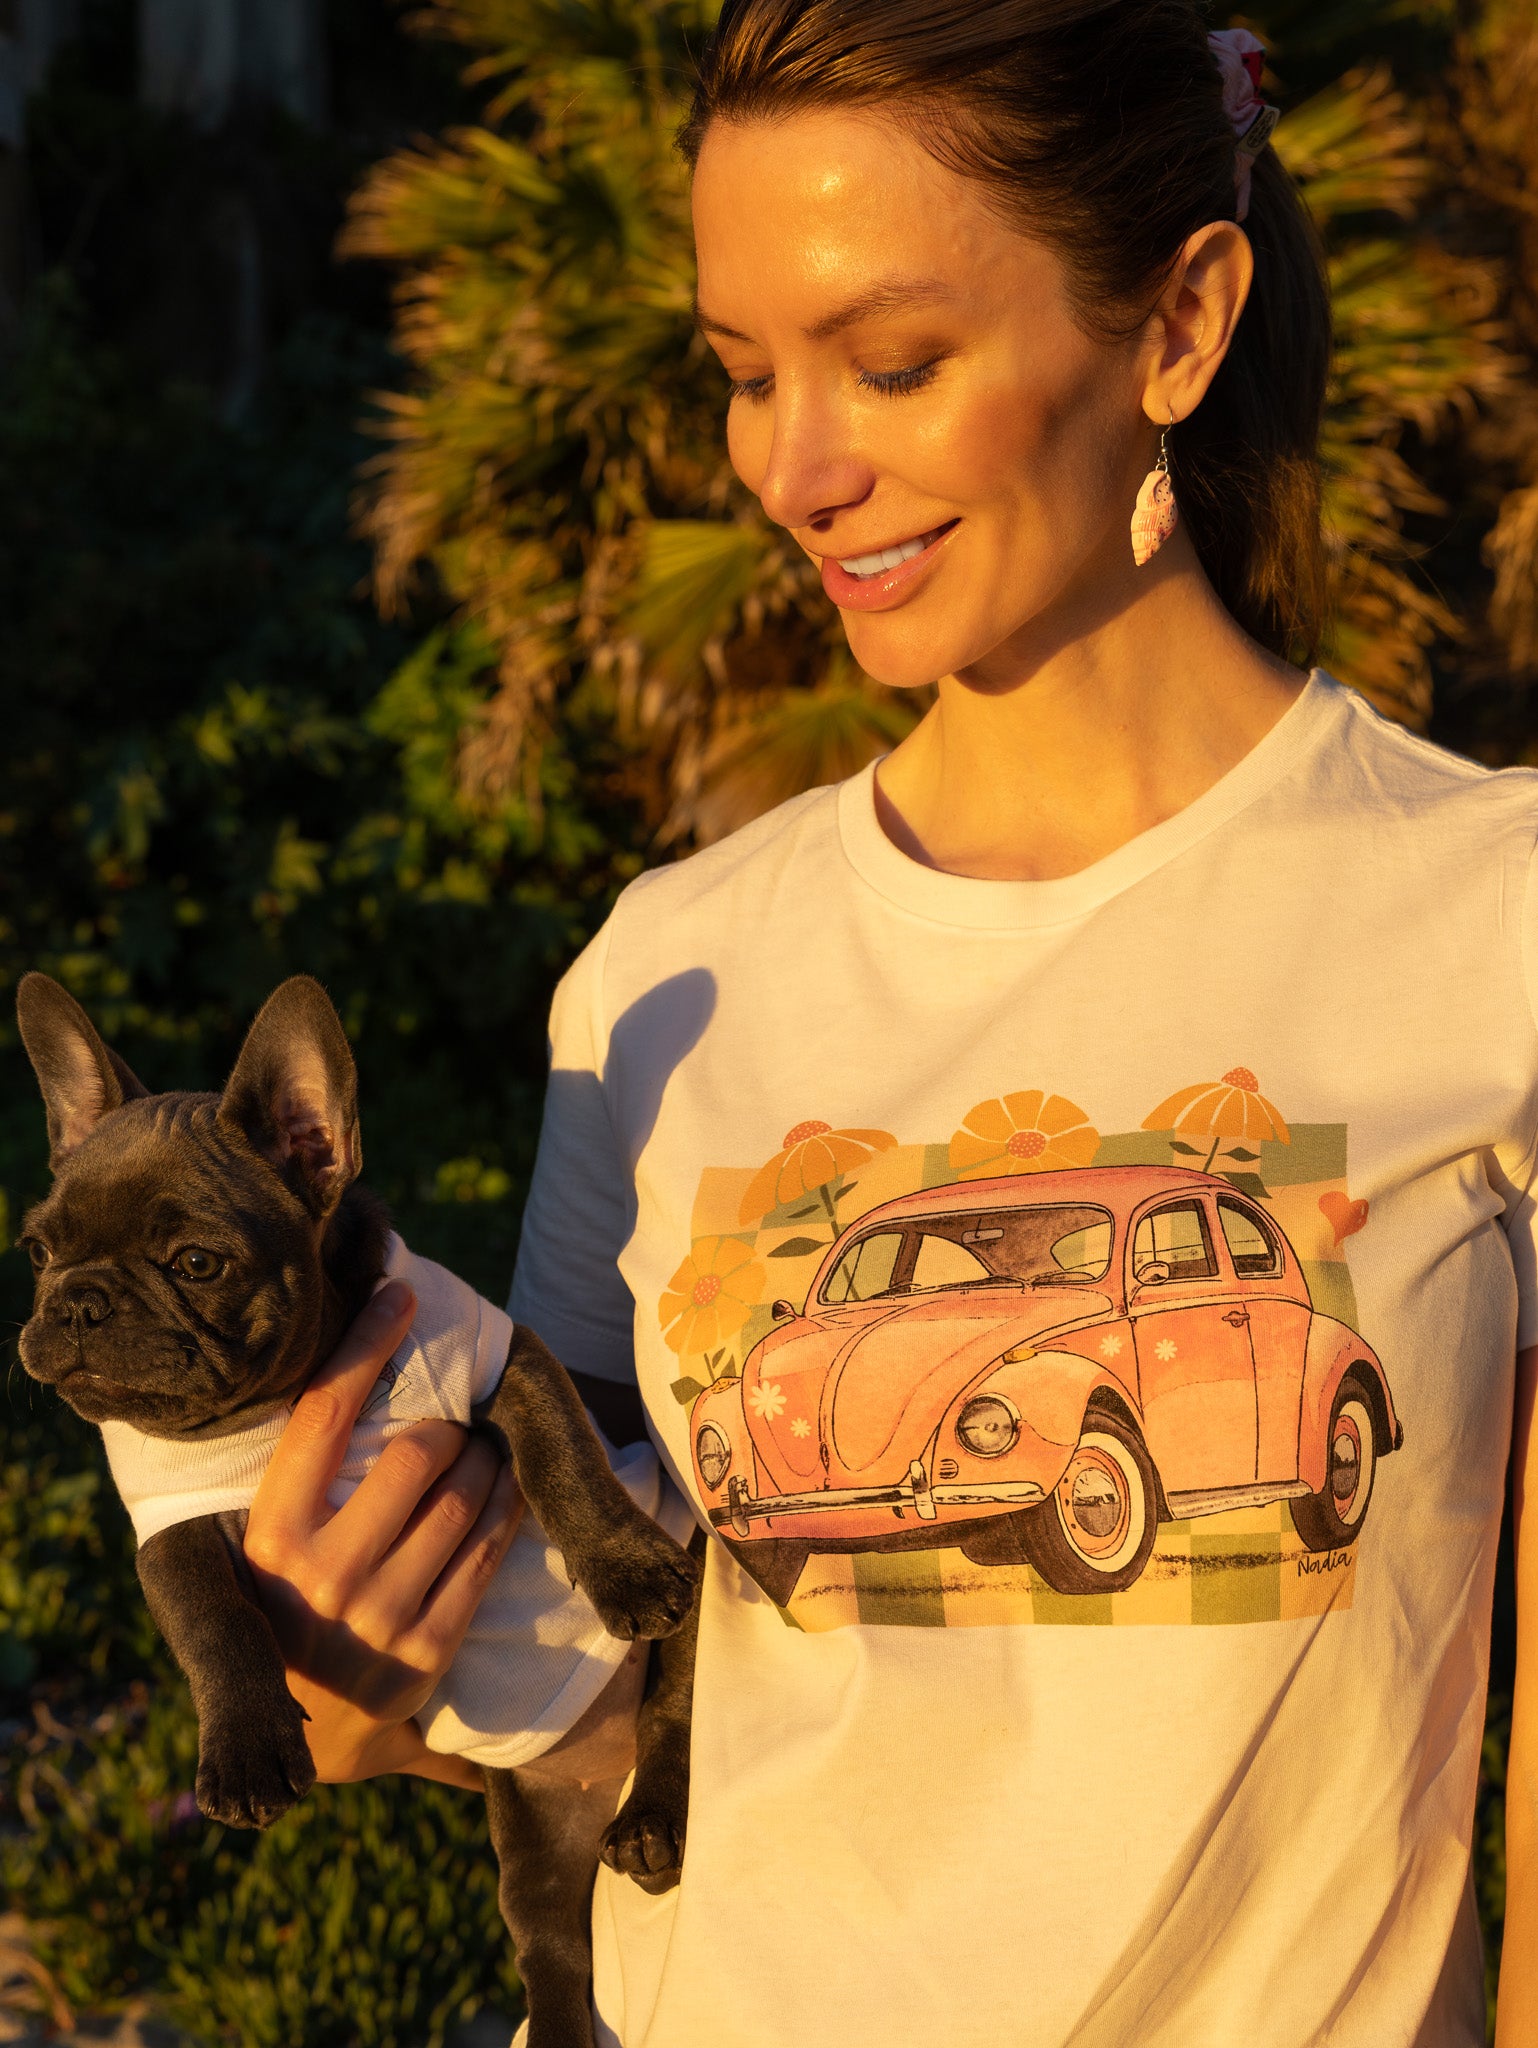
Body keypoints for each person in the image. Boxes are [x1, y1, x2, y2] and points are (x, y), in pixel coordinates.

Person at [239, 1, 1537, 2041]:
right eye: (744, 375)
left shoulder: (1488, 916)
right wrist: (362, 1675)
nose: (789, 467)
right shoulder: (664, 980)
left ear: (1180, 323)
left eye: (893, 362)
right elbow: (616, 1724)